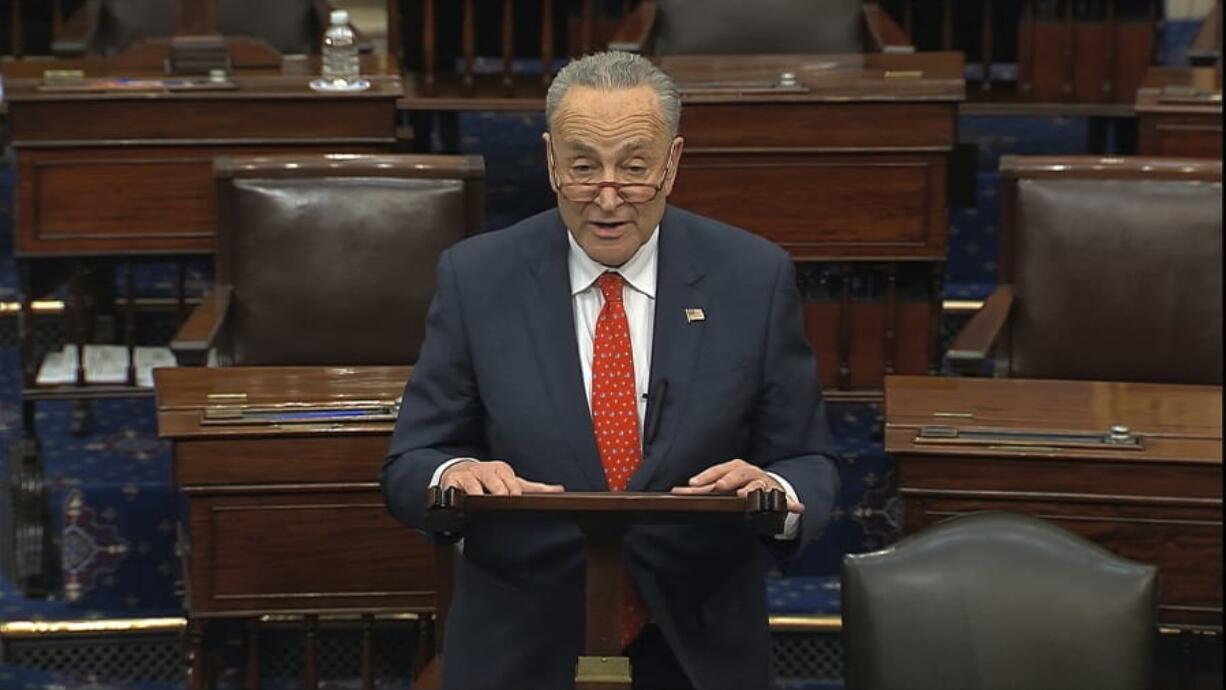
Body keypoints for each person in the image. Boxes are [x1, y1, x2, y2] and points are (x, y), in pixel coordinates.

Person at [381, 50, 839, 690]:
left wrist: (773, 492)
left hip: (696, 641)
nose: (607, 197)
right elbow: (410, 462)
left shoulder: (752, 278)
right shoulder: (478, 278)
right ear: (549, 161)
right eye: (583, 168)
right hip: (521, 640)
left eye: (633, 169)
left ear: (672, 163)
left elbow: (809, 462)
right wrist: (456, 473)